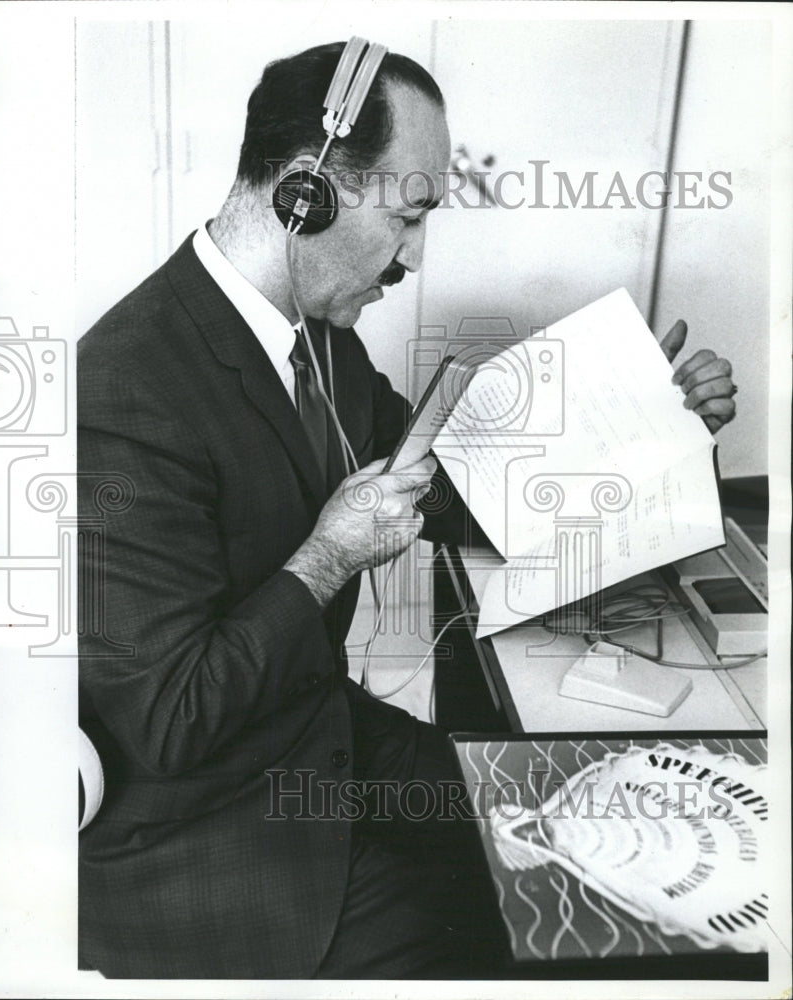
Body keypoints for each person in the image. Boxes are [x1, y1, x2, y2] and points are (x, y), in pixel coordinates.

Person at [77, 39, 737, 981]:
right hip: (207, 840)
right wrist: (328, 557)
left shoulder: (321, 342)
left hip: (316, 741)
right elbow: (172, 721)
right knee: (540, 935)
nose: (416, 259)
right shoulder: (122, 393)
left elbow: (457, 493)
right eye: (409, 216)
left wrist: (660, 423)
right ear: (306, 189)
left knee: (588, 823)